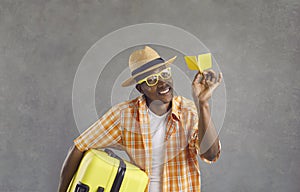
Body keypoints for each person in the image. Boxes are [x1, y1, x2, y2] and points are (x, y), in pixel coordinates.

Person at [58, 46, 222, 192]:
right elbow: (79, 146)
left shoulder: (189, 111)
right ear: (140, 88)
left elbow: (210, 154)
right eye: (152, 80)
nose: (162, 83)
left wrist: (203, 104)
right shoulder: (125, 115)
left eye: (164, 74)